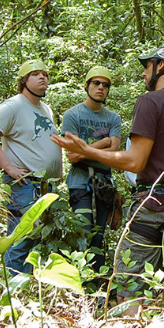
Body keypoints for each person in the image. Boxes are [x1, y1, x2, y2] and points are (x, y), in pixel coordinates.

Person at [51, 46, 164, 315]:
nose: (143, 73)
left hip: (152, 211)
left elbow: (135, 162)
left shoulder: (149, 102)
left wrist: (87, 150)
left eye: (148, 66)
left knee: (130, 289)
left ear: (161, 67)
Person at [0, 59, 62, 274]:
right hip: (25, 185)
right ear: (23, 80)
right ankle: (12, 293)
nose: (42, 77)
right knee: (20, 240)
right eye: (35, 74)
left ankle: (28, 291)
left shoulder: (46, 109)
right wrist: (9, 167)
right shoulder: (14, 105)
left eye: (44, 73)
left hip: (45, 186)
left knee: (38, 242)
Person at [61, 66, 121, 276]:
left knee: (99, 236)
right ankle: (79, 283)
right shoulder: (73, 115)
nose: (100, 88)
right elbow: (72, 156)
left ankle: (97, 285)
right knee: (82, 233)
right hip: (80, 183)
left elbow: (114, 152)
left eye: (105, 85)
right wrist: (103, 142)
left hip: (103, 184)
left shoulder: (113, 118)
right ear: (86, 85)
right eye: (96, 83)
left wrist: (85, 149)